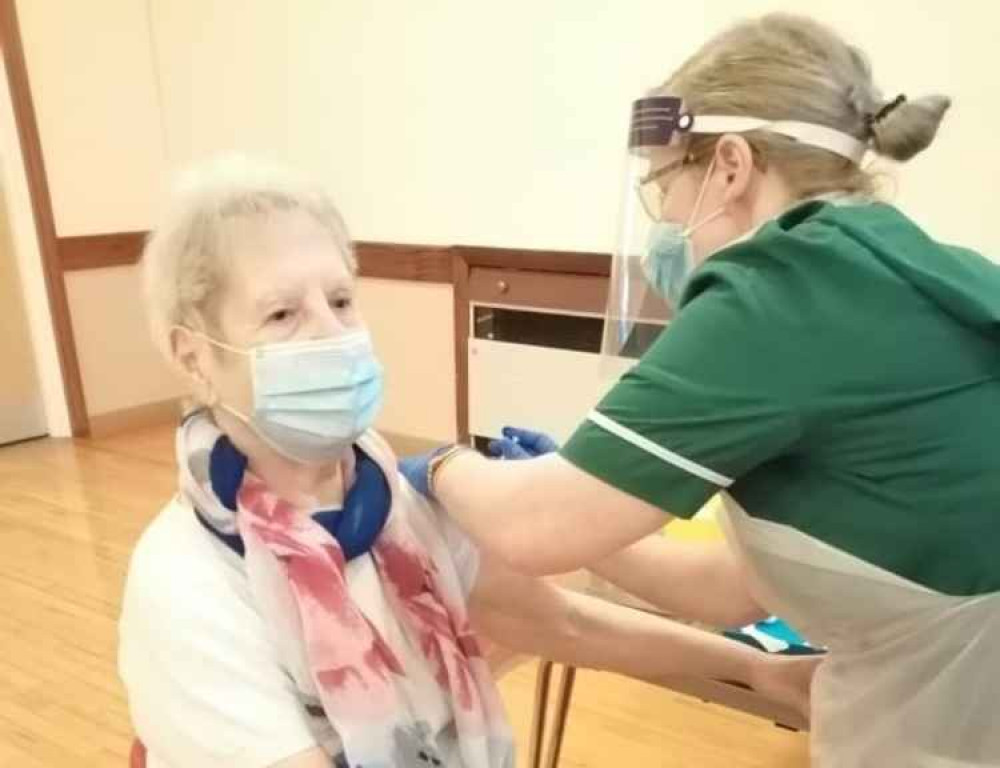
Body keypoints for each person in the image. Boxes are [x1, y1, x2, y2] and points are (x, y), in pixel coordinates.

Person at [402, 13, 1000, 768]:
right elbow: (735, 590)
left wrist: (437, 467)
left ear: (729, 164)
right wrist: (596, 506)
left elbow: (535, 531)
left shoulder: (783, 291)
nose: (665, 224)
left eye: (665, 185)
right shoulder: (913, 266)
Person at [117, 156, 816, 768]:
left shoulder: (387, 501)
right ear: (193, 356)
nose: (332, 335)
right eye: (280, 316)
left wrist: (757, 674)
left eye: (339, 300)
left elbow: (557, 622)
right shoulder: (188, 581)